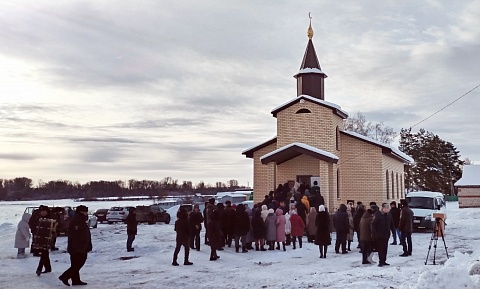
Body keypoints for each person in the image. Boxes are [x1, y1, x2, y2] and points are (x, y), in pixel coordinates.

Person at [59, 205, 92, 286]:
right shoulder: (77, 221)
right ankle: (64, 276)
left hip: (79, 247)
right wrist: (80, 247)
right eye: (84, 212)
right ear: (81, 212)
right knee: (78, 264)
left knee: (75, 264)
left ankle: (76, 280)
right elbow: (75, 236)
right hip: (77, 247)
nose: (86, 213)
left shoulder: (79, 219)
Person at [31, 205, 53, 276]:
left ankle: (39, 269)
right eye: (41, 211)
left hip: (48, 239)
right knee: (45, 253)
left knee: (44, 252)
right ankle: (48, 268)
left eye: (44, 211)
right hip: (39, 238)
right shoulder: (38, 218)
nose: (42, 213)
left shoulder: (51, 218)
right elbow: (32, 225)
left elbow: (57, 226)